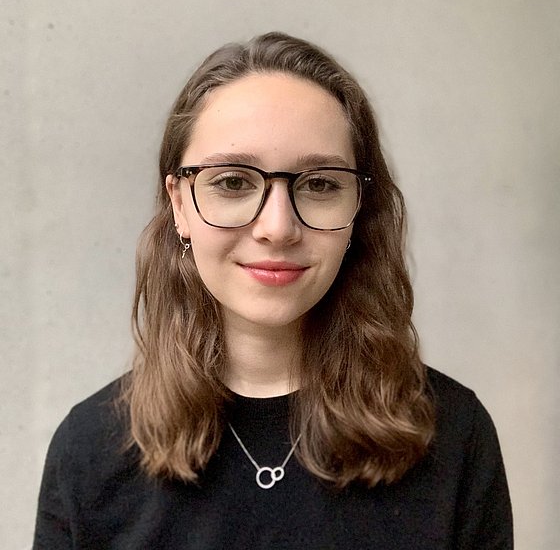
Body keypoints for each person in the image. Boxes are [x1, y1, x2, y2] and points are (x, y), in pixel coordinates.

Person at [33, 32, 513, 549]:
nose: (278, 228)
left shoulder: (455, 437)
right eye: (233, 182)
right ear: (179, 204)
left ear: (359, 208)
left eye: (320, 183)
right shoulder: (87, 452)